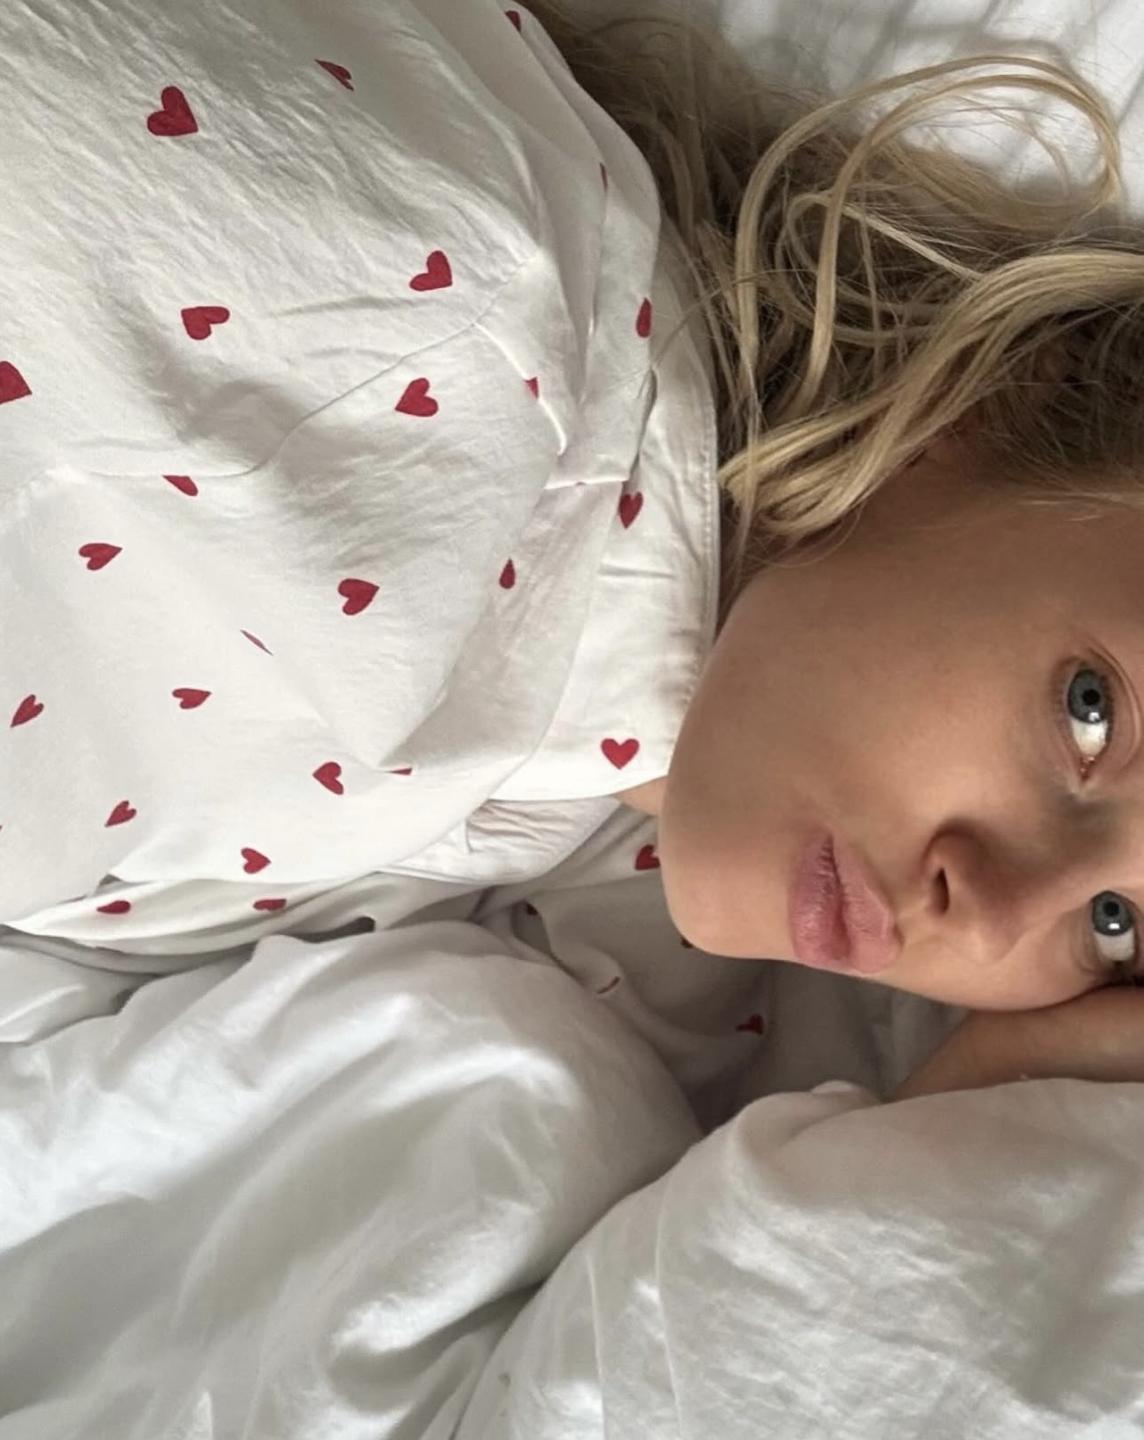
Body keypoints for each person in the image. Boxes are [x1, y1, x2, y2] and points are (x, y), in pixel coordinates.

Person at [2, 0, 1144, 1099]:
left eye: (1118, 927)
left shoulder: (620, 822)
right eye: (1090, 710)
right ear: (989, 405)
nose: (991, 912)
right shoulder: (428, 326)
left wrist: (989, 1097)